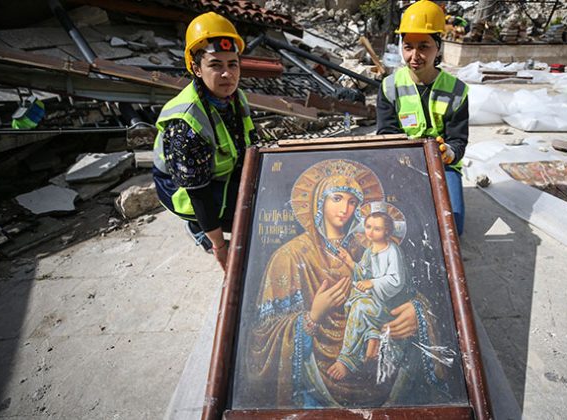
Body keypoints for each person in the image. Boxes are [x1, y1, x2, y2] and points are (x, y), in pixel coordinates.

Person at [244, 159, 447, 408]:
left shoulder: (373, 248)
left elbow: (405, 291)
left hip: (381, 370)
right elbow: (261, 338)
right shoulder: (291, 256)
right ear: (319, 202)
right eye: (337, 198)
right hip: (317, 382)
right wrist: (312, 316)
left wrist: (416, 313)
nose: (346, 209)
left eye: (353, 202)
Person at [152, 12, 256, 270]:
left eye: (233, 64)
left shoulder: (236, 98)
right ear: (197, 69)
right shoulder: (186, 122)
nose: (226, 74)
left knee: (264, 198)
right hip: (184, 189)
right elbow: (198, 192)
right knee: (249, 216)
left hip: (218, 174)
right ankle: (198, 227)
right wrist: (220, 247)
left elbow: (250, 143)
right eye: (215, 65)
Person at [377, 0, 470, 234]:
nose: (414, 55)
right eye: (408, 46)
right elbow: (386, 134)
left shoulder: (457, 90)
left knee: (452, 229)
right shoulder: (390, 87)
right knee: (397, 225)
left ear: (438, 47)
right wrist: (404, 162)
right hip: (402, 162)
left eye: (424, 46)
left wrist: (449, 153)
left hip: (443, 165)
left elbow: (459, 140)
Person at [328, 211, 411, 381]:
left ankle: (347, 359)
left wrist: (372, 283)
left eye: (377, 229)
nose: (371, 232)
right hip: (375, 300)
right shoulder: (369, 250)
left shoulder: (392, 251)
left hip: (389, 306)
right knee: (353, 297)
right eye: (368, 227)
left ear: (387, 232)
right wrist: (350, 262)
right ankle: (372, 337)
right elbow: (364, 273)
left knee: (359, 307)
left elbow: (396, 281)